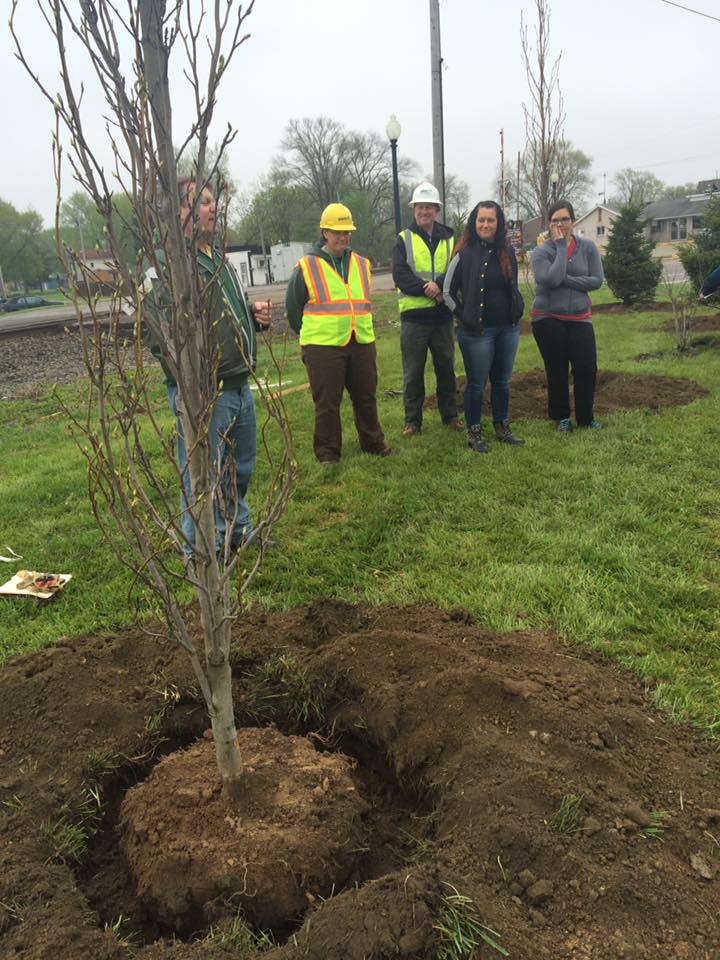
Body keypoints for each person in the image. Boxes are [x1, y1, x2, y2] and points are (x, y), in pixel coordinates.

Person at [147, 178, 271, 555]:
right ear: (179, 213)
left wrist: (251, 316)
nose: (212, 207)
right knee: (204, 474)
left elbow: (219, 312)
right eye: (201, 202)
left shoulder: (217, 258)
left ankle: (235, 531)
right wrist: (190, 387)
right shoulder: (172, 267)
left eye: (212, 200)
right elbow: (160, 337)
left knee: (240, 466)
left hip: (236, 382)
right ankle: (201, 548)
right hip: (205, 390)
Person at [285, 203, 394, 464]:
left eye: (346, 232)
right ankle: (328, 453)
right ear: (324, 232)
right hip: (322, 347)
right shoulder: (306, 266)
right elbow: (293, 309)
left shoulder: (361, 264)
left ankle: (373, 442)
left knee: (366, 396)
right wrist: (312, 337)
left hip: (361, 342)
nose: (342, 237)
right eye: (337, 232)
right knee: (327, 403)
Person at [443, 200, 525, 454]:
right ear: (474, 222)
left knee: (502, 382)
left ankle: (502, 427)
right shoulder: (463, 254)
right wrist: (463, 316)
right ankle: (474, 431)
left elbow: (513, 287)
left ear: (498, 223)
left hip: (508, 329)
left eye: (491, 220)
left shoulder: (507, 252)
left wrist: (517, 309)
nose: (486, 224)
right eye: (481, 220)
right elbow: (446, 292)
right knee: (477, 385)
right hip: (478, 333)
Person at [391, 181, 460, 437]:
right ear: (414, 209)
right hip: (414, 319)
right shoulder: (403, 239)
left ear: (437, 210)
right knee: (413, 373)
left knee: (446, 369)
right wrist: (425, 288)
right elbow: (400, 275)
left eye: (429, 207)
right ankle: (412, 421)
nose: (424, 212)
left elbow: (456, 269)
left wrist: (440, 285)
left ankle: (450, 416)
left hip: (442, 317)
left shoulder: (450, 238)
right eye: (420, 207)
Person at [530, 200, 604, 432]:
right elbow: (549, 279)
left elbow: (596, 280)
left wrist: (567, 281)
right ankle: (562, 417)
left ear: (573, 221)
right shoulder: (541, 252)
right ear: (548, 224)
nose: (560, 224)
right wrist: (561, 247)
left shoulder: (588, 248)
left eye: (564, 219)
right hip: (548, 318)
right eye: (555, 220)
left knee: (586, 368)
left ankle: (585, 417)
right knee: (557, 369)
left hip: (580, 317)